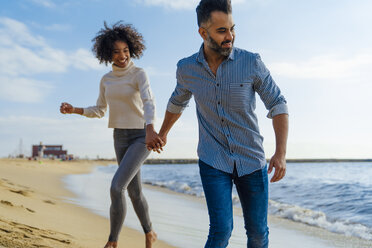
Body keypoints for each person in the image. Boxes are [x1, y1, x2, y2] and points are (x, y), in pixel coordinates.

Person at [147, 0, 289, 247]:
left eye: (232, 29)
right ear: (203, 33)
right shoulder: (187, 68)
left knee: (257, 233)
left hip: (251, 161)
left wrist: (281, 153)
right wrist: (163, 133)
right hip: (213, 160)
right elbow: (176, 102)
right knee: (221, 230)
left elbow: (278, 104)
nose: (230, 36)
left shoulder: (251, 62)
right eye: (222, 31)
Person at [60, 22, 158, 248]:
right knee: (134, 192)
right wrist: (75, 109)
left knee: (116, 187)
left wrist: (151, 127)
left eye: (125, 50)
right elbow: (100, 110)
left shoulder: (139, 74)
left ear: (131, 49)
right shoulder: (106, 80)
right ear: (107, 54)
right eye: (116, 51)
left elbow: (148, 101)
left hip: (141, 136)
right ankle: (150, 232)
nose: (122, 55)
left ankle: (112, 241)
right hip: (119, 137)